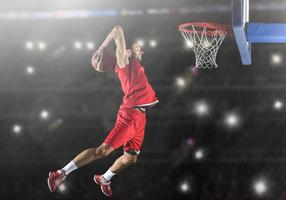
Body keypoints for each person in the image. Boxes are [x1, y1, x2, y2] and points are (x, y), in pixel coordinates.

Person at [47, 25, 159, 197]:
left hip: (140, 117)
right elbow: (117, 30)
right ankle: (60, 173)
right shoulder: (123, 62)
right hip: (130, 115)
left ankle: (104, 179)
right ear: (127, 51)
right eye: (138, 48)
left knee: (130, 159)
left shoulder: (134, 65)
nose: (141, 51)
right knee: (102, 151)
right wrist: (102, 47)